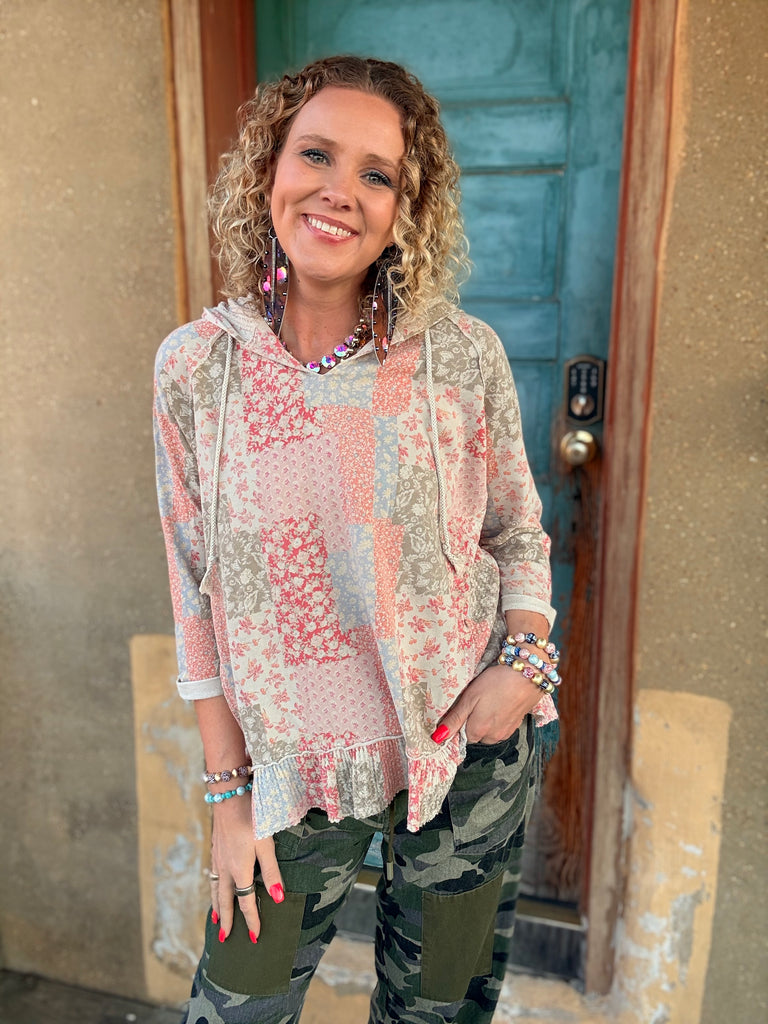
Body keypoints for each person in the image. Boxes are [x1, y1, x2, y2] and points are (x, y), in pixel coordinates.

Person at [154, 54, 561, 1024]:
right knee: (235, 1010)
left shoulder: (462, 355)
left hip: (465, 754)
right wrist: (228, 796)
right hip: (287, 773)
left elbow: (517, 528)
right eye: (316, 154)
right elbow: (192, 586)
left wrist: (525, 662)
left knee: (437, 1013)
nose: (340, 190)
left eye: (377, 174)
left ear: (404, 208)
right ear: (269, 168)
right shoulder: (198, 369)